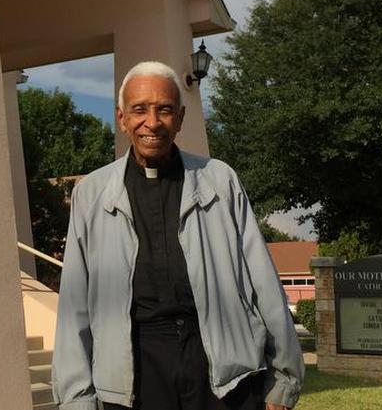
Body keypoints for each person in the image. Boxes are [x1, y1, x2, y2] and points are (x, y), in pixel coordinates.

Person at [52, 61, 303, 410]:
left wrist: (285, 377)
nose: (152, 122)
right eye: (139, 109)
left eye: (165, 110)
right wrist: (76, 399)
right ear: (122, 118)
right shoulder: (91, 194)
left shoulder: (220, 181)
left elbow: (263, 283)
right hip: (136, 371)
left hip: (223, 372)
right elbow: (75, 304)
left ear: (181, 118)